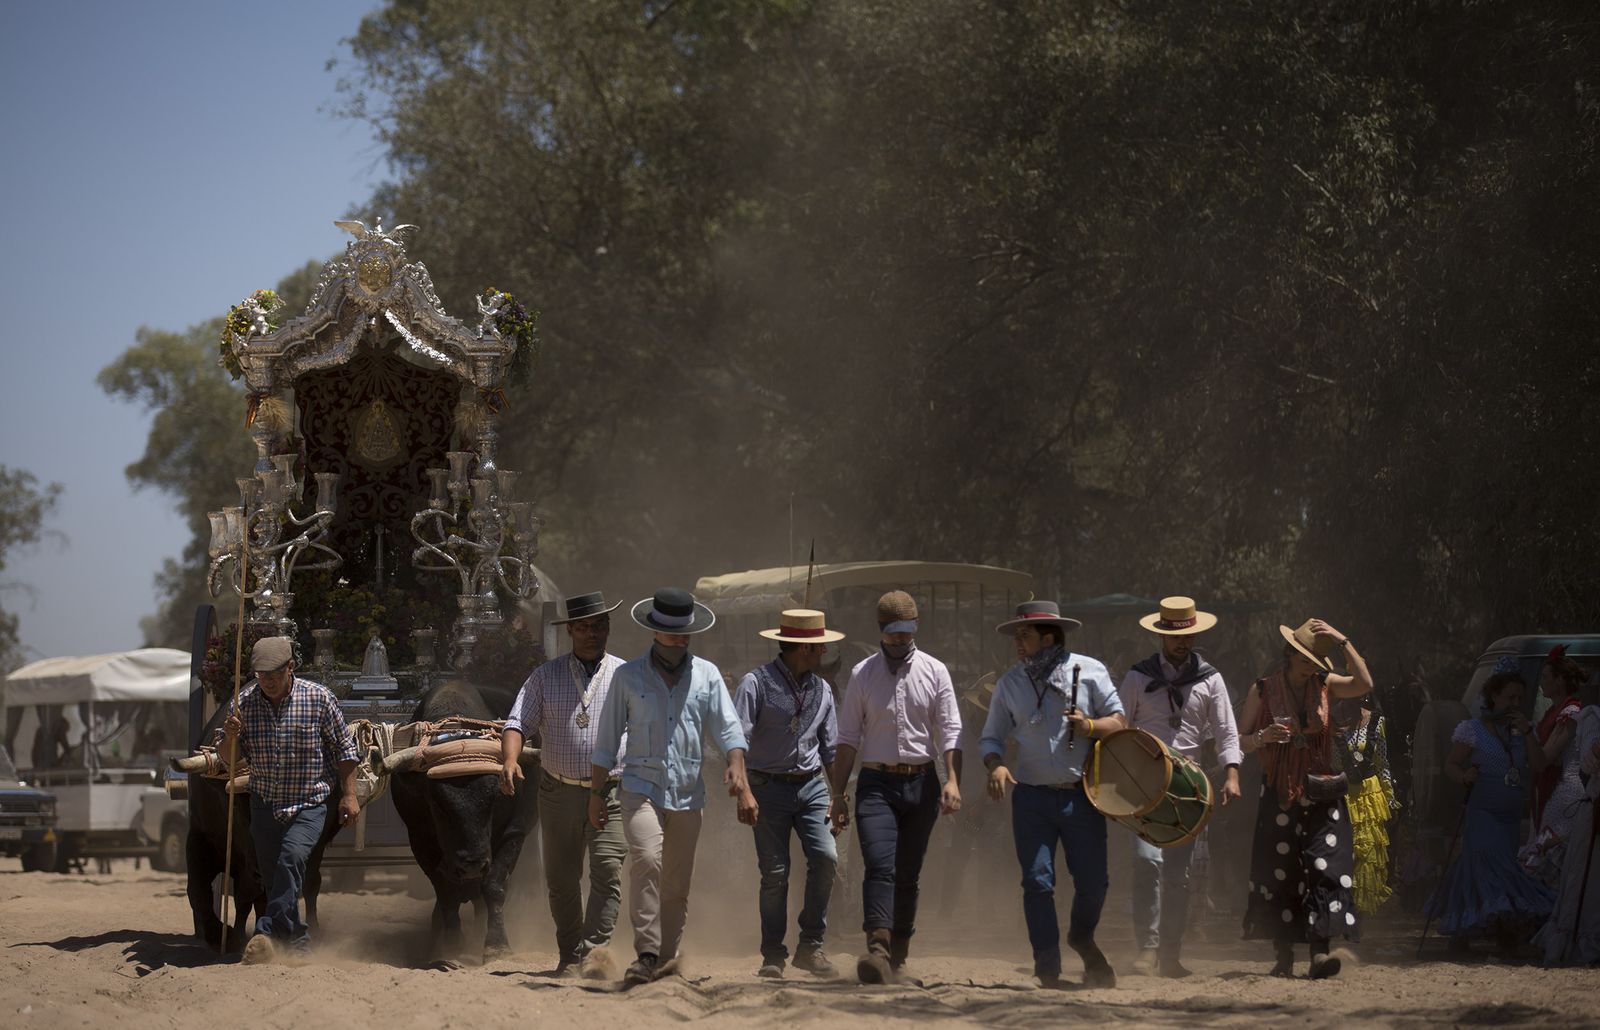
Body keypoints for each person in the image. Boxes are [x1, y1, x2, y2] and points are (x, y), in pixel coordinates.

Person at [589, 588, 757, 988]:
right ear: (654, 631)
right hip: (639, 789)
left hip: (687, 793)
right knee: (647, 859)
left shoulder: (707, 675)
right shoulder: (627, 677)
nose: (680, 639)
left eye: (685, 632)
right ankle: (646, 953)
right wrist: (596, 794)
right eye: (672, 632)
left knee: (677, 882)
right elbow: (607, 742)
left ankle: (666, 957)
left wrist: (737, 768)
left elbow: (728, 728)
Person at [982, 600, 1126, 989]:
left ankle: (1082, 936)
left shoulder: (1091, 671)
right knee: (1037, 881)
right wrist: (995, 764)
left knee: (1094, 882)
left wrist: (1091, 724)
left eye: (1024, 634)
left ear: (1048, 636)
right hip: (1031, 797)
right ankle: (1047, 963)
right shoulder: (1011, 683)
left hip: (1084, 796)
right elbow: (991, 737)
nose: (1017, 641)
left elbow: (1120, 722)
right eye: (1016, 635)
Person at [828, 590, 963, 984]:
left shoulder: (935, 671)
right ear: (881, 632)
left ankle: (899, 951)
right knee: (879, 866)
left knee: (908, 873)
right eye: (894, 634)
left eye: (908, 633)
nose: (902, 641)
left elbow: (951, 730)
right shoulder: (862, 675)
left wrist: (953, 780)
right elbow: (848, 738)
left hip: (922, 783)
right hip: (876, 785)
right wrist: (838, 794)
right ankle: (878, 947)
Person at [500, 591, 629, 979]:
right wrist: (509, 759)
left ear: (608, 628)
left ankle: (593, 956)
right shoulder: (545, 676)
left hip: (611, 791)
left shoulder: (626, 675)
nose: (593, 633)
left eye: (599, 625)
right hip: (557, 791)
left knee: (608, 870)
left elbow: (645, 729)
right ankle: (569, 955)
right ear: (570, 629)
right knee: (561, 879)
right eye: (585, 626)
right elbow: (517, 722)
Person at [1237, 618, 1373, 979]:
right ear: (1289, 653)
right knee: (1280, 871)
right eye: (1301, 655)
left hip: (1321, 791)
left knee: (1326, 866)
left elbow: (1364, 683)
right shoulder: (1262, 689)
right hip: (1279, 793)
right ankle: (1283, 956)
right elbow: (1239, 740)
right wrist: (1263, 737)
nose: (1307, 662)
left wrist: (1343, 640)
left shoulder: (1326, 685)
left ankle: (1319, 953)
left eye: (1313, 658)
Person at [1118, 596, 1241, 978]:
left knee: (1178, 875)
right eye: (1175, 636)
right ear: (1162, 636)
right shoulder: (1138, 677)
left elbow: (1225, 730)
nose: (1182, 642)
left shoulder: (1210, 679)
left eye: (1188, 635)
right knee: (1146, 862)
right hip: (1143, 783)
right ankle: (1148, 949)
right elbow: (1120, 726)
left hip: (1188, 788)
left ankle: (1170, 954)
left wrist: (1232, 772)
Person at [219, 636, 359, 962]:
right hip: (264, 804)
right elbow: (228, 759)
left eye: (274, 674)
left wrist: (349, 795)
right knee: (277, 882)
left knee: (291, 859)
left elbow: (345, 751)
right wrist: (230, 737)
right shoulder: (242, 706)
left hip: (309, 803)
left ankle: (265, 931)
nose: (267, 681)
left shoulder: (320, 699)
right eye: (260, 674)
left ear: (290, 668)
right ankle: (298, 945)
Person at [733, 608, 844, 979]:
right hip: (767, 787)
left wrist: (840, 794)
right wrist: (744, 791)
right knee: (775, 873)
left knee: (826, 857)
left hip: (812, 785)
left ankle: (811, 945)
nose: (823, 653)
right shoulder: (756, 684)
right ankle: (773, 954)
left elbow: (830, 748)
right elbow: (738, 742)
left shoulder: (823, 689)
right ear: (801, 648)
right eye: (817, 647)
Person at [1423, 670, 1555, 958]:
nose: (1515, 703)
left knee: (1500, 868)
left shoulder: (1523, 731)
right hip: (1482, 813)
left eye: (1520, 698)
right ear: (1494, 696)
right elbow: (1451, 765)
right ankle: (1466, 930)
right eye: (1510, 697)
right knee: (1487, 866)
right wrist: (1464, 776)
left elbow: (1539, 764)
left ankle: (1500, 930)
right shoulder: (1472, 729)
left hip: (1509, 817)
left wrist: (1529, 733)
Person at [1534, 704, 1600, 965]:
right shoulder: (1593, 717)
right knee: (1588, 875)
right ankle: (1579, 943)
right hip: (1596, 807)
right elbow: (1589, 761)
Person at [1331, 693, 1398, 916]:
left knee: (1367, 854)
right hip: (1342, 795)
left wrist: (1390, 798)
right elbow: (1330, 764)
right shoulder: (1330, 721)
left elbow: (1382, 763)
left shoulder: (1377, 722)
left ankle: (1361, 913)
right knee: (1342, 852)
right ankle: (1341, 907)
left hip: (1370, 798)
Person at [1525, 648, 1589, 881]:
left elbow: (1543, 759)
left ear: (1560, 681)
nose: (1541, 682)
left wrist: (1525, 734)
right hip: (1547, 791)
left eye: (1545, 677)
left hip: (1562, 793)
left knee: (1553, 860)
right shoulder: (1553, 711)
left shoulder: (1570, 713)